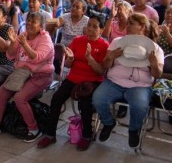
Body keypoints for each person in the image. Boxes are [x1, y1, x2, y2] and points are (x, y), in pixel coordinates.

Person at [0, 12, 54, 142]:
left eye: (33, 21)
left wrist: (24, 44)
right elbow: (10, 55)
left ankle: (33, 129)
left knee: (20, 97)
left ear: (41, 26)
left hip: (40, 75)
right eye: (28, 20)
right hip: (21, 73)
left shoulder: (45, 39)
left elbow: (36, 58)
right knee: (2, 91)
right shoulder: (23, 35)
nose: (29, 23)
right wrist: (14, 42)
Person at [37, 16, 108, 150]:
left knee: (86, 104)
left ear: (101, 30)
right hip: (74, 78)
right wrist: (69, 59)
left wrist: (90, 59)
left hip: (91, 81)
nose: (91, 29)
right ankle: (50, 135)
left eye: (95, 27)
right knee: (56, 98)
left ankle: (86, 135)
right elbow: (69, 65)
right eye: (89, 25)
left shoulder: (104, 45)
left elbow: (100, 72)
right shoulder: (78, 40)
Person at [93, 13, 164, 149]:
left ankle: (134, 129)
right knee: (98, 99)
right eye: (128, 23)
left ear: (141, 27)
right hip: (114, 81)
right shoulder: (117, 42)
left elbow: (157, 74)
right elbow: (105, 66)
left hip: (140, 85)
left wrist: (154, 64)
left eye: (131, 23)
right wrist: (110, 57)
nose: (127, 26)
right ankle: (108, 123)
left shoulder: (154, 48)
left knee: (139, 105)